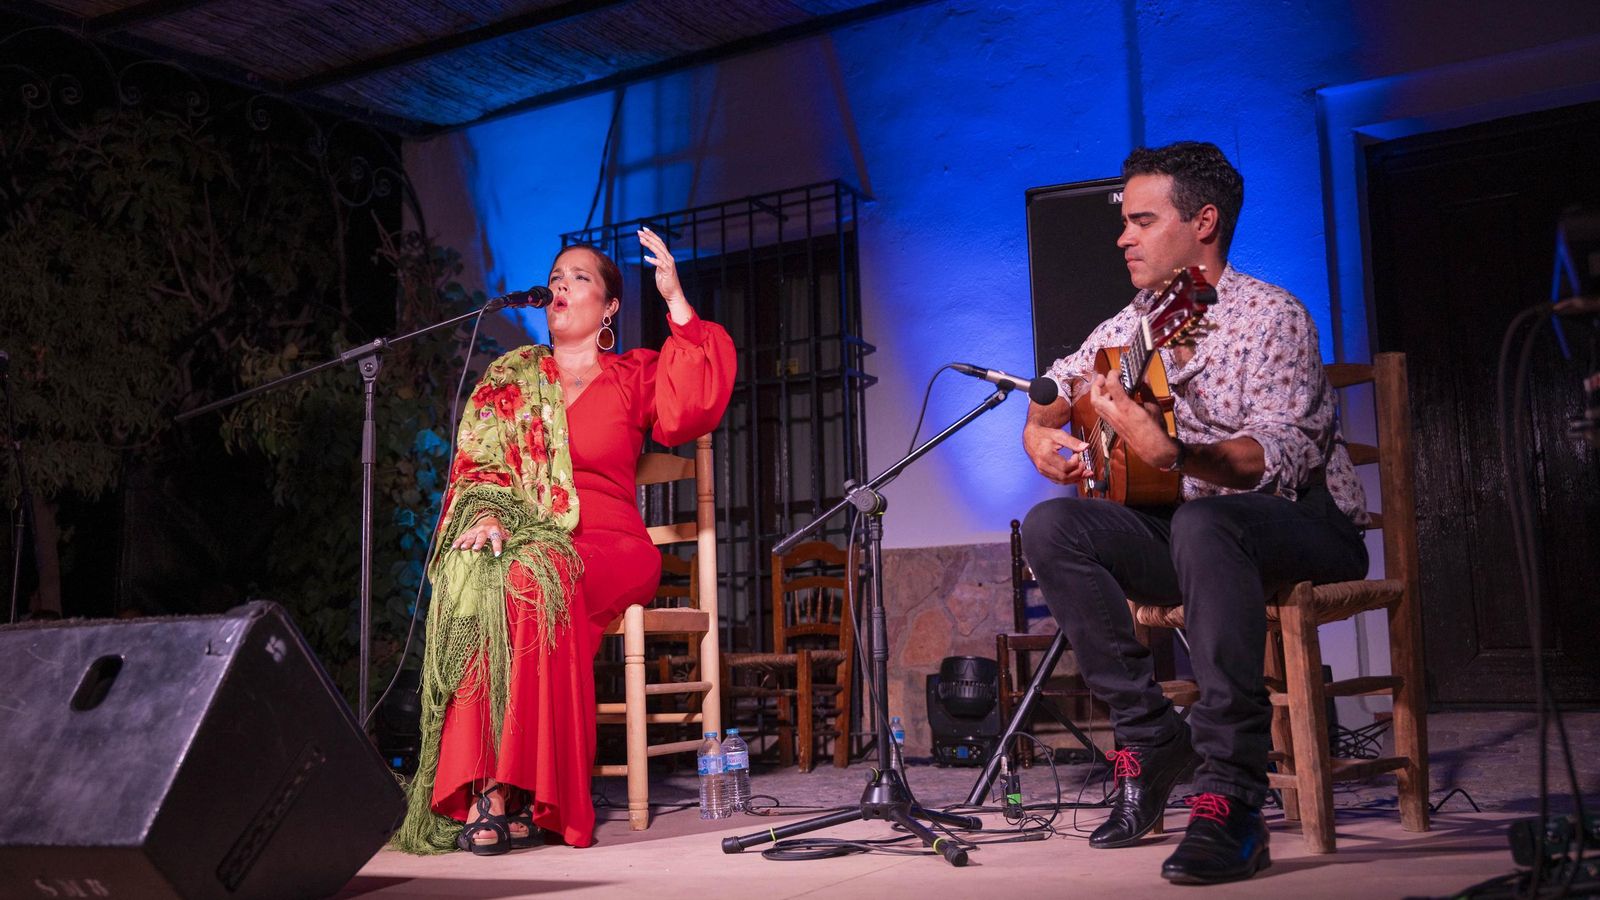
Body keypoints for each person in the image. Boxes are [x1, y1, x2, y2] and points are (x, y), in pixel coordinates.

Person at [1019, 142, 1369, 885]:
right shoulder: (1134, 323)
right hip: (1191, 536)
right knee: (1053, 526)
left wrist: (1177, 455)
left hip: (1299, 523)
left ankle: (1233, 792)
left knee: (1208, 523)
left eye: (1142, 220)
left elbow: (1282, 459)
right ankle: (1150, 739)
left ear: (1203, 222)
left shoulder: (1273, 315)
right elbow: (1056, 384)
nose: (1122, 236)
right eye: (1126, 221)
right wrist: (1036, 434)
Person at [392, 228, 736, 855]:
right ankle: (497, 794)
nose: (560, 285)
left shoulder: (634, 373)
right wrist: (490, 515)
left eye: (579, 278)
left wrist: (677, 302)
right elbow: (482, 467)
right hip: (531, 543)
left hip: (613, 547)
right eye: (556, 276)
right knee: (490, 577)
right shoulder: (512, 379)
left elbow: (697, 405)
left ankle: (517, 794)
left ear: (608, 308)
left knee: (531, 576)